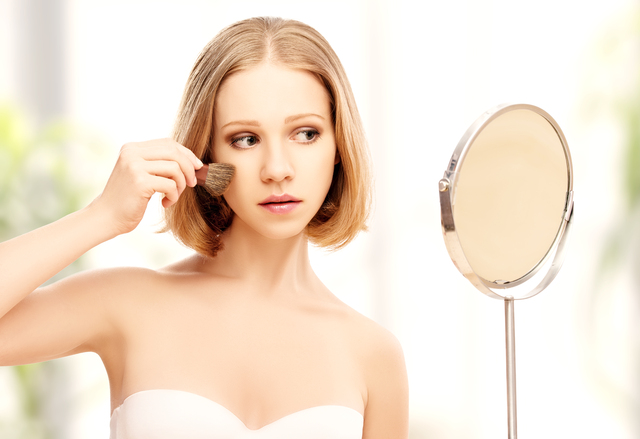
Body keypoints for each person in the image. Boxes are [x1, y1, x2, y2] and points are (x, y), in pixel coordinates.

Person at [0, 16, 409, 438]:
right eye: (245, 139)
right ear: (205, 152)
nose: (277, 169)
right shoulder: (128, 305)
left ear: (338, 144)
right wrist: (103, 216)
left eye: (305, 133)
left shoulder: (373, 356)